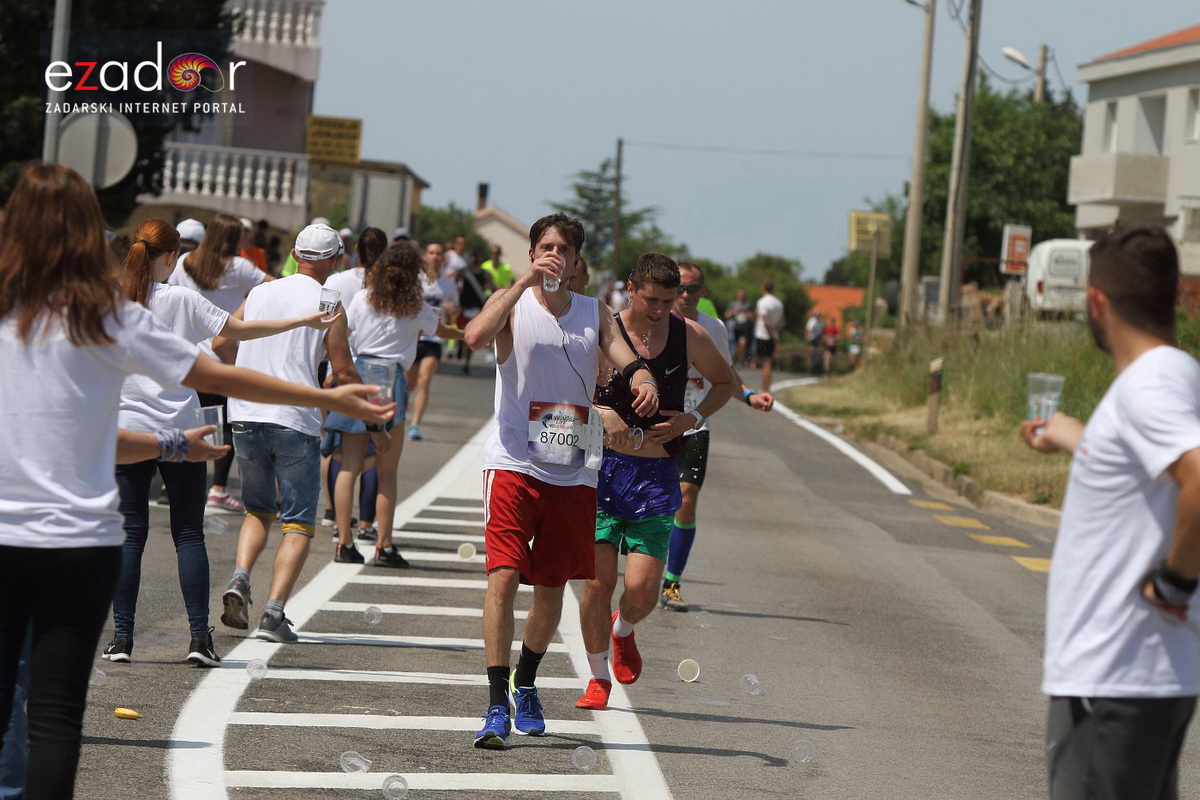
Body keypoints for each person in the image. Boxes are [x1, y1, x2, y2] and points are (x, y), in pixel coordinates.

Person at [0, 164, 390, 800]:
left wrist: (166, 443)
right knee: (54, 714)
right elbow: (225, 375)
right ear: (84, 234)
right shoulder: (108, 317)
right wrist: (333, 400)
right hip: (77, 545)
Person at [463, 213, 659, 750]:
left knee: (550, 589)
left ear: (576, 262)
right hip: (513, 463)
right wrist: (522, 284)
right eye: (544, 247)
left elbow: (624, 359)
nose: (553, 255)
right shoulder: (512, 302)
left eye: (563, 249)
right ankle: (496, 701)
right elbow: (474, 334)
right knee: (503, 576)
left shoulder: (593, 312)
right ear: (532, 254)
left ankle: (527, 680)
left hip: (572, 468)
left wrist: (641, 378)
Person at [105, 218, 337, 667]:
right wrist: (305, 320)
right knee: (188, 533)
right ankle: (198, 639)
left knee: (130, 534)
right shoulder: (182, 300)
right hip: (184, 428)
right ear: (172, 257)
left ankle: (121, 639)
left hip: (128, 429)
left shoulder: (113, 300)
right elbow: (241, 330)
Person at [1020, 226, 1200, 799]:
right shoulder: (1174, 374)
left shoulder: (1150, 385)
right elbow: (1151, 467)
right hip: (1141, 675)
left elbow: (1198, 473)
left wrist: (1174, 583)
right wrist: (1072, 434)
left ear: (1096, 301)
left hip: (1118, 671)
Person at [576, 253, 735, 713]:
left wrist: (691, 417)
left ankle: (623, 631)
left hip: (656, 475)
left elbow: (723, 383)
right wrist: (597, 411)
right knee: (597, 584)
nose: (660, 310)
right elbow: (565, 383)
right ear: (631, 289)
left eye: (668, 301)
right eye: (652, 299)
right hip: (602, 471)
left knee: (643, 592)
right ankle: (598, 677)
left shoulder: (689, 335)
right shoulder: (604, 331)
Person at [216, 223, 383, 644]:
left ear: (294, 253)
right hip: (295, 419)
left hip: (246, 413)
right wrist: (373, 419)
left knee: (257, 508)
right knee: (298, 521)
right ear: (335, 259)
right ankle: (273, 614)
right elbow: (343, 370)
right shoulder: (329, 302)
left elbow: (222, 343)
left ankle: (240, 578)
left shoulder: (260, 292)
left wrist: (251, 365)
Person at [329, 242, 464, 567]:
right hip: (391, 378)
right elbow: (441, 330)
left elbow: (345, 334)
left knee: (349, 465)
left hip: (359, 373)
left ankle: (343, 541)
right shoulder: (414, 304)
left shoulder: (363, 298)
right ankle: (384, 544)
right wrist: (468, 334)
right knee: (387, 471)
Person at [660, 262, 774, 613]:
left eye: (692, 289)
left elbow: (727, 375)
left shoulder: (714, 328)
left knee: (687, 495)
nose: (684, 295)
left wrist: (750, 395)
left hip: (695, 422)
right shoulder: (654, 319)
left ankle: (672, 581)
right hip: (655, 422)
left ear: (703, 292)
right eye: (678, 287)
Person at [169, 212, 271, 512]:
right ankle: (218, 488)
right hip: (224, 352)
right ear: (232, 238)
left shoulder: (184, 263)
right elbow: (272, 286)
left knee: (187, 419)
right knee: (226, 424)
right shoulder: (239, 266)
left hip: (189, 352)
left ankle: (170, 481)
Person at [320, 228, 389, 543]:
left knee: (337, 451)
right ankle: (366, 524)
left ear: (356, 251)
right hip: (379, 372)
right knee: (376, 453)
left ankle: (336, 518)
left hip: (339, 367)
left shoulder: (336, 281)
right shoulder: (391, 285)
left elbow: (323, 323)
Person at [405, 241, 459, 439]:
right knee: (408, 384)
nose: (435, 256)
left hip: (434, 337)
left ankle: (415, 425)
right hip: (413, 335)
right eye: (431, 252)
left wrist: (451, 308)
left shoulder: (448, 282)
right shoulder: (415, 279)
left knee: (424, 380)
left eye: (438, 253)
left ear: (443, 258)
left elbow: (455, 309)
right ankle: (398, 415)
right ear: (425, 256)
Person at [455, 245, 496, 373]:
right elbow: (456, 285)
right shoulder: (464, 271)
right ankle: (460, 347)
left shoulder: (485, 274)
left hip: (477, 308)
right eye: (477, 256)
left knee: (470, 335)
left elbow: (491, 287)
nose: (478, 258)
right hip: (464, 307)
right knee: (461, 333)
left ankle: (467, 362)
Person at [754, 280, 785, 392]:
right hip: (773, 335)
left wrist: (770, 333)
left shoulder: (762, 302)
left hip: (764, 335)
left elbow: (765, 320)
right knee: (769, 362)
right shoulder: (778, 303)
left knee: (765, 363)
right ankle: (766, 387)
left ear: (763, 288)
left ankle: (765, 388)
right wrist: (775, 332)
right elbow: (782, 321)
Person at [725, 288, 754, 366]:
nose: (741, 296)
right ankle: (735, 360)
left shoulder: (748, 304)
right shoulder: (733, 304)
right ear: (737, 295)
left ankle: (740, 361)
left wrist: (748, 314)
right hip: (735, 327)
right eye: (739, 295)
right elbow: (726, 315)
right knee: (736, 346)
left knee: (742, 343)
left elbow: (753, 316)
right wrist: (733, 312)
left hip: (745, 327)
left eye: (743, 295)